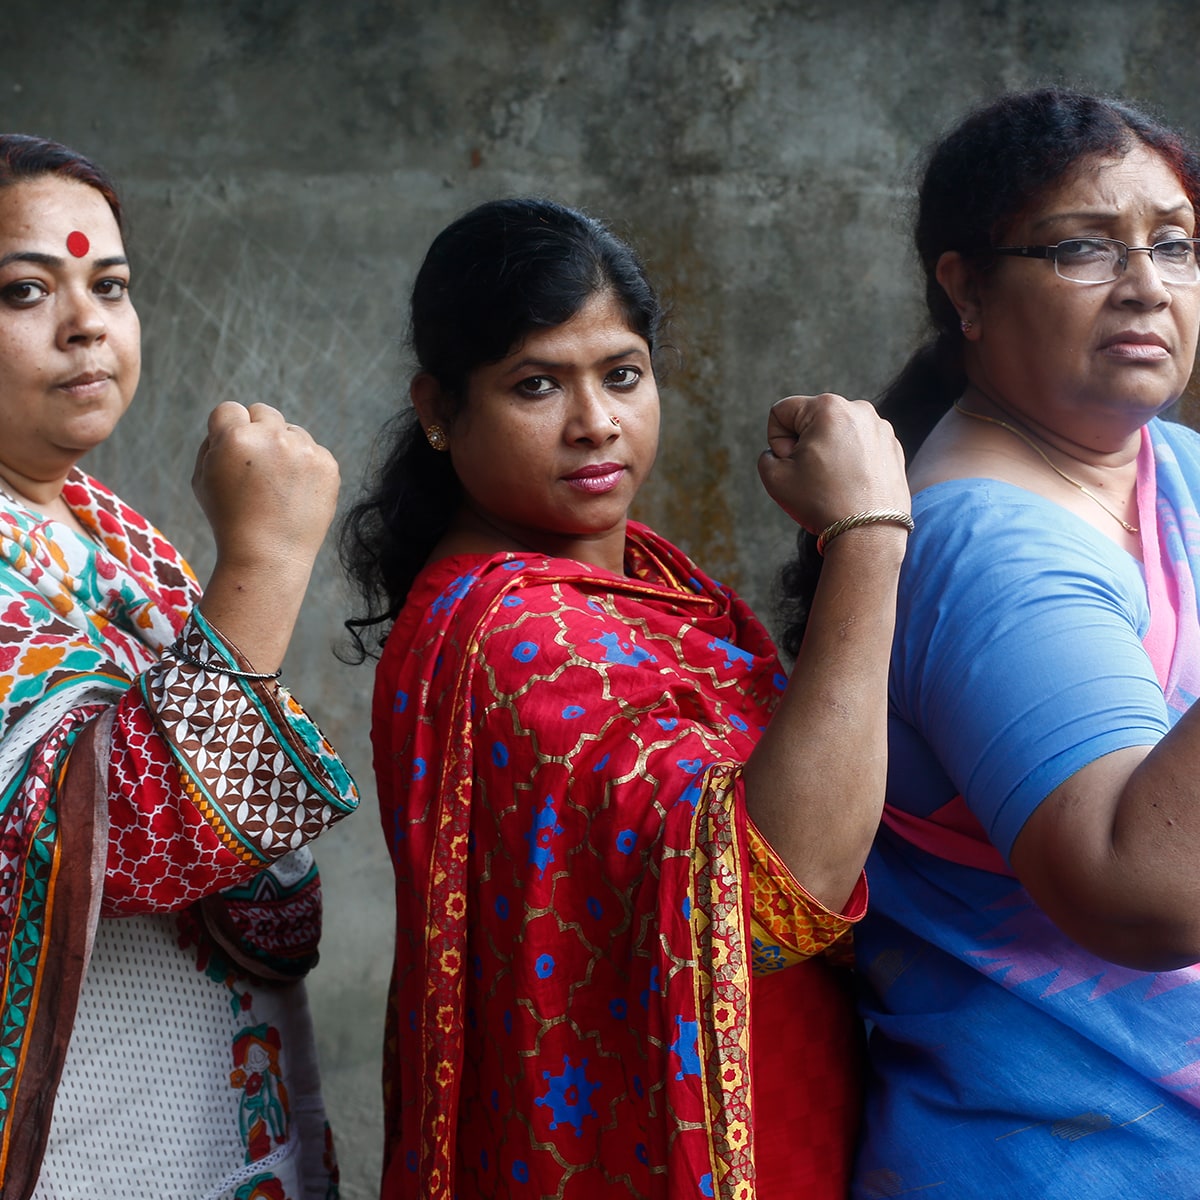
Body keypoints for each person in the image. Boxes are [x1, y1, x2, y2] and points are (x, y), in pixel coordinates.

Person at [341, 197, 911, 1199]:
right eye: (535, 385)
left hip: (788, 1102)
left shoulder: (651, 580)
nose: (595, 422)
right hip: (675, 1147)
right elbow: (779, 889)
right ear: (438, 410)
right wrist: (866, 537)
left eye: (622, 374)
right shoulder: (517, 638)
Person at [779, 87, 1200, 1196]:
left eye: (1173, 244)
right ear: (966, 289)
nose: (1147, 284)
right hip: (1066, 1153)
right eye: (1083, 248)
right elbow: (1143, 890)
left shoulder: (1167, 468)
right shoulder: (987, 545)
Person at [0, 134, 358, 1200]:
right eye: (26, 290)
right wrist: (263, 561)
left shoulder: (119, 541)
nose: (87, 323)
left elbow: (246, 862)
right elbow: (119, 837)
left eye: (110, 284)